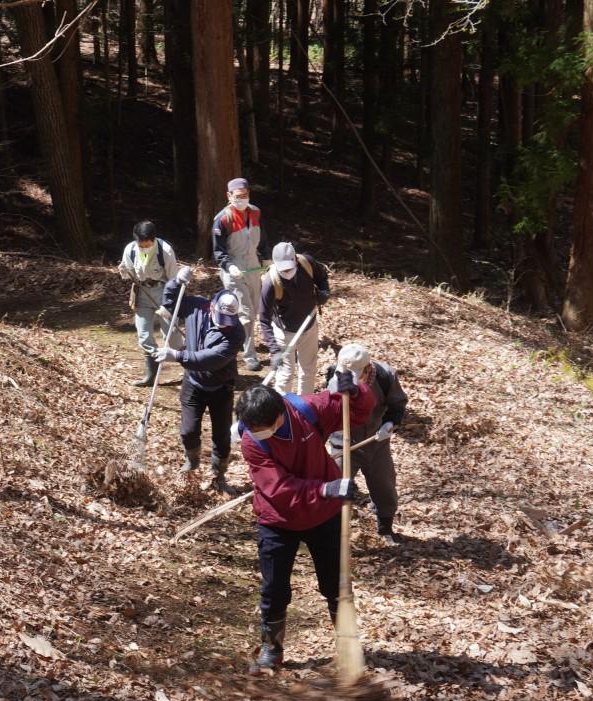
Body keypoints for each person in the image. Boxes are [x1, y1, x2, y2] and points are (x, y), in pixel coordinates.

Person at [234, 365, 376, 672]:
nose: (255, 433)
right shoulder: (252, 441)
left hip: (323, 515)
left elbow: (357, 412)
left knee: (336, 583)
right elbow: (279, 489)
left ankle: (348, 646)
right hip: (277, 519)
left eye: (261, 427)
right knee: (275, 588)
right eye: (249, 427)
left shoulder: (306, 409)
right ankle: (272, 647)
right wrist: (326, 488)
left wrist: (355, 391)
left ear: (280, 415)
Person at [157, 269, 246, 494]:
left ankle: (219, 474)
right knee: (188, 430)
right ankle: (192, 460)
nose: (225, 324)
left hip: (221, 387)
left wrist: (177, 355)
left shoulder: (236, 333)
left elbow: (209, 360)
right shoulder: (197, 306)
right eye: (222, 319)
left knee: (221, 435)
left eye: (229, 320)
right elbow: (170, 302)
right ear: (212, 306)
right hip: (193, 384)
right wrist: (177, 281)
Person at [325, 343, 408, 544]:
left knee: (384, 487)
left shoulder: (385, 375)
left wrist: (390, 423)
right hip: (343, 444)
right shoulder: (333, 378)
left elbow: (398, 403)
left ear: (367, 367)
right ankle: (330, 534)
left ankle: (385, 528)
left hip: (376, 441)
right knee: (336, 489)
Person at [212, 177, 271, 372]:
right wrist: (229, 266)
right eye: (238, 197)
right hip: (234, 267)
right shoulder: (223, 219)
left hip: (253, 264)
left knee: (254, 309)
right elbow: (219, 251)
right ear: (229, 196)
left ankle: (238, 339)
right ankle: (249, 355)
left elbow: (262, 238)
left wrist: (267, 258)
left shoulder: (255, 212)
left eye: (245, 196)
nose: (242, 199)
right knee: (245, 313)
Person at [259, 241, 331, 395]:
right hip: (284, 332)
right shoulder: (269, 283)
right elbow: (264, 319)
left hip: (309, 327)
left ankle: (305, 408)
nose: (286, 272)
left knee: (308, 370)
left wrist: (324, 293)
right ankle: (283, 413)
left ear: (296, 261)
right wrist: (274, 350)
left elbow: (322, 278)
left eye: (289, 268)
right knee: (285, 376)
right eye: (282, 269)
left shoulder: (307, 263)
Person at [118, 221, 183, 386]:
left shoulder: (165, 250)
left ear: (154, 239)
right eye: (141, 244)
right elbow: (129, 274)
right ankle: (151, 373)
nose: (144, 246)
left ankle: (190, 367)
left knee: (171, 334)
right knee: (144, 334)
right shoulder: (130, 250)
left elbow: (174, 279)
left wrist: (167, 304)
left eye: (148, 244)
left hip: (164, 292)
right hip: (142, 293)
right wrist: (124, 272)